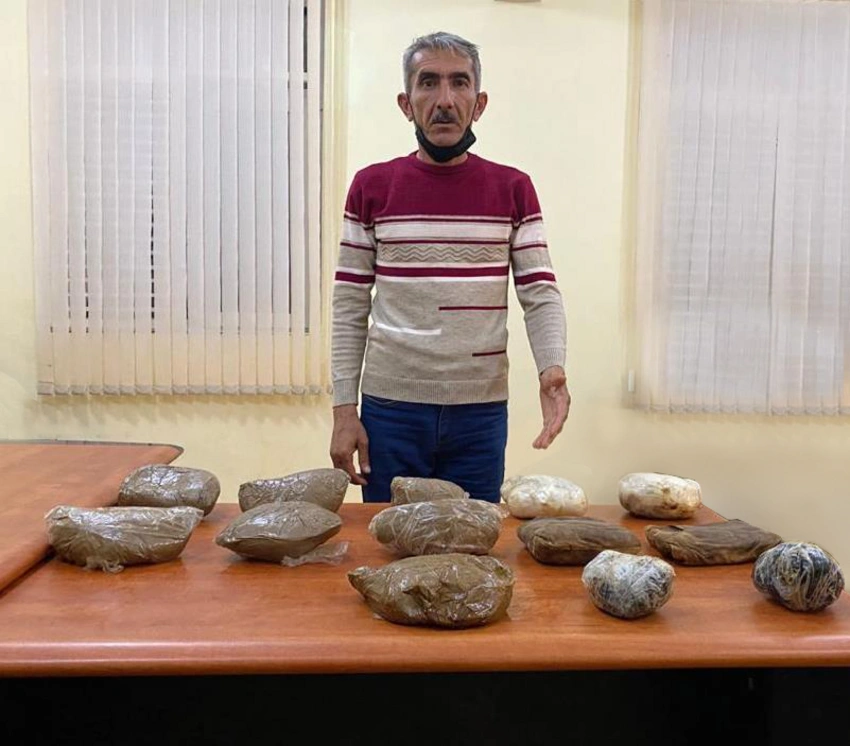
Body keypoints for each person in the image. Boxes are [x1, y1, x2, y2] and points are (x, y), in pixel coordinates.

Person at [329, 31, 569, 503]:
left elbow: (540, 293)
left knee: (475, 539)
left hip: (479, 415)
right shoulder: (371, 187)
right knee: (388, 538)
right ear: (406, 103)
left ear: (479, 103)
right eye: (428, 82)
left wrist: (552, 368)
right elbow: (349, 304)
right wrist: (343, 409)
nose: (444, 100)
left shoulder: (513, 189)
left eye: (459, 83)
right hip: (391, 412)